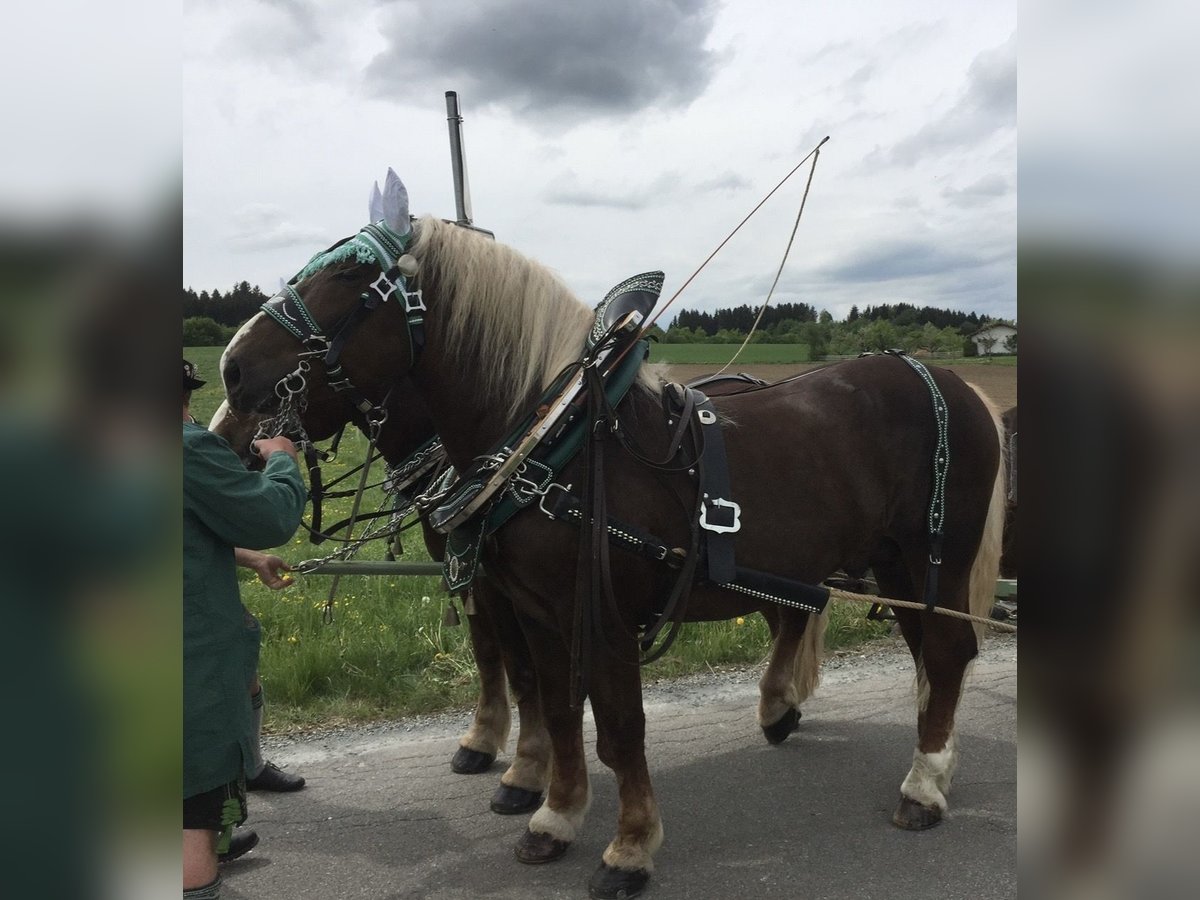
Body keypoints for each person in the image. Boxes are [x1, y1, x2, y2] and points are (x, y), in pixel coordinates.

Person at [183, 360, 306, 899]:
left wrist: (242, 556)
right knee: (190, 816)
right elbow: (271, 514)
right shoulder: (184, 449)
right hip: (183, 667)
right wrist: (281, 460)